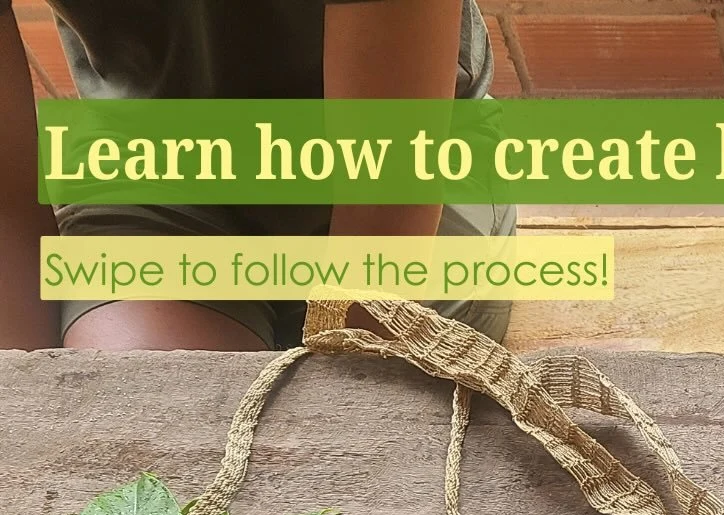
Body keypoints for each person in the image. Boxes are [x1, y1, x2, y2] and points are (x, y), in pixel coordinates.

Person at [0, 0, 514, 352]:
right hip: (152, 165)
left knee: (340, 421)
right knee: (147, 423)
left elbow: (388, 184)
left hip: (404, 167)